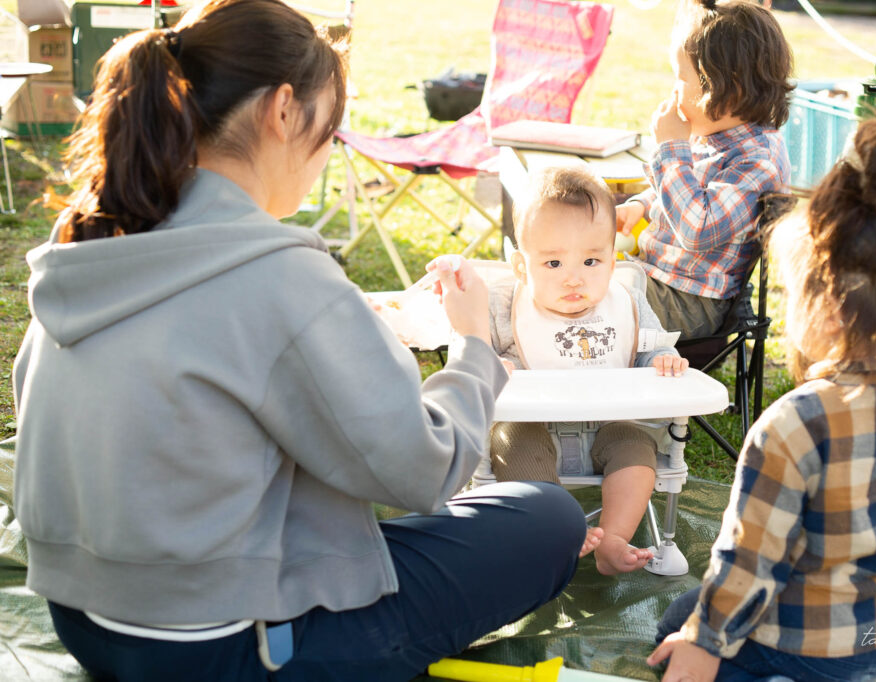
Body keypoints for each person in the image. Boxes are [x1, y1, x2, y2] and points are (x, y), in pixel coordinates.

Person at [11, 1, 586, 680]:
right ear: (283, 110)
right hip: (221, 648)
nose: (326, 150)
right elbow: (423, 470)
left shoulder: (93, 237)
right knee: (548, 518)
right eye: (331, 127)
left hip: (83, 618)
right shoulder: (279, 273)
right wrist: (473, 350)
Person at [647, 119, 876, 682]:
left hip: (801, 642)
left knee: (675, 623)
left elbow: (749, 561)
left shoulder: (793, 424)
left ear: (828, 308)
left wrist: (702, 640)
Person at [488, 166, 689, 576]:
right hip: (534, 427)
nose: (573, 278)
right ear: (521, 267)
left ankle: (612, 540)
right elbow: (473, 354)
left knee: (637, 450)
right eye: (553, 262)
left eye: (591, 260)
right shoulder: (505, 307)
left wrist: (661, 360)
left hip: (610, 426)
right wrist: (492, 365)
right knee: (511, 441)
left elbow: (650, 349)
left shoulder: (626, 304)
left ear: (612, 262)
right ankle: (557, 530)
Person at [616, 0, 792, 339]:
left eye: (681, 78)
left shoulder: (758, 161)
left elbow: (697, 229)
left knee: (589, 292)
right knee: (575, 275)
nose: (673, 90)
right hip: (659, 279)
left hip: (693, 302)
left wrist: (671, 149)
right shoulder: (714, 134)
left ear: (727, 87)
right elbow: (685, 188)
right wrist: (641, 204)